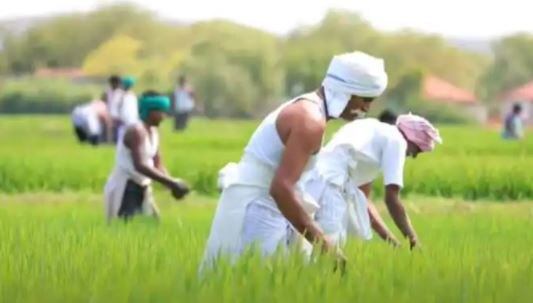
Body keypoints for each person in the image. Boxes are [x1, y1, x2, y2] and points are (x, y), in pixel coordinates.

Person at [202, 51, 388, 269]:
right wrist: (326, 247)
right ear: (345, 91)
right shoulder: (310, 120)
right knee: (249, 282)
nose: (366, 108)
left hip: (269, 206)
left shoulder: (311, 110)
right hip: (260, 209)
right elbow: (281, 189)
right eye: (364, 99)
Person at [305, 114, 442, 249]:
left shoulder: (372, 129)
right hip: (331, 186)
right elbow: (392, 199)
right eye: (417, 149)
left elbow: (364, 201)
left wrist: (391, 241)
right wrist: (412, 238)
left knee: (306, 241)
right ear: (411, 139)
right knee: (330, 246)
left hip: (310, 180)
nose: (414, 156)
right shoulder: (397, 141)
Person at [104, 91, 190, 223]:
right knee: (125, 228)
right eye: (162, 112)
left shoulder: (153, 132)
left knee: (153, 224)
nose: (164, 116)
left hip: (142, 186)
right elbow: (141, 165)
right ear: (151, 112)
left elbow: (157, 164)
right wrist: (171, 183)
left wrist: (172, 184)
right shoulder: (136, 131)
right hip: (127, 187)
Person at [116, 76, 139, 141]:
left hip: (125, 122)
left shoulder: (122, 96)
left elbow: (121, 109)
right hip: (133, 121)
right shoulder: (133, 96)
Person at [102, 75, 123, 143]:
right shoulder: (107, 92)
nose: (114, 84)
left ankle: (115, 141)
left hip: (118, 114)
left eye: (116, 83)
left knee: (117, 129)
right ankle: (106, 141)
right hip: (109, 113)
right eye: (113, 83)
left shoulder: (121, 93)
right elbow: (103, 101)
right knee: (108, 129)